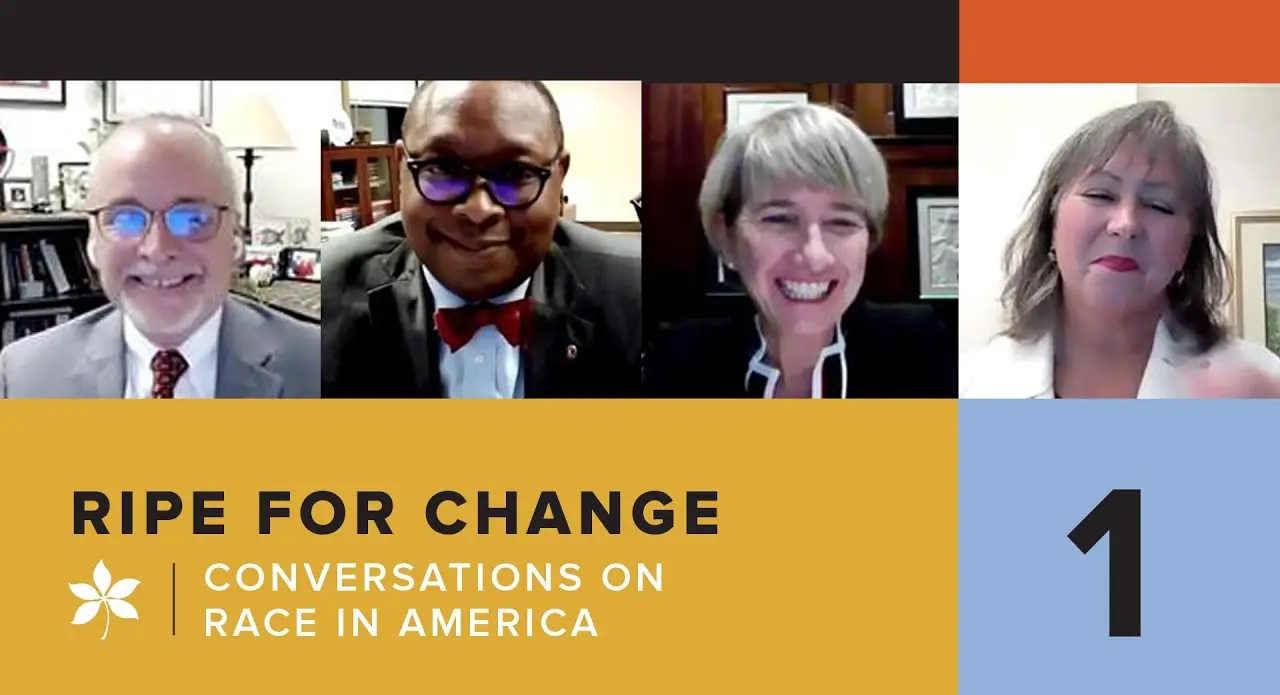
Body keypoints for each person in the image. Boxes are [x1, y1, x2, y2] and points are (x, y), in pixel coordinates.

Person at [321, 81, 642, 398]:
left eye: (516, 173)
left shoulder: (635, 294)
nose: (477, 210)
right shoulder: (328, 296)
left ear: (560, 177)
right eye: (443, 168)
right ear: (402, 171)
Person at [960, 100, 1280, 398]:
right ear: (1051, 224)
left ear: (1187, 248)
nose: (1126, 224)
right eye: (1101, 195)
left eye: (1158, 205)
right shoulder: (971, 383)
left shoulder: (1259, 386)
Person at [643, 103, 956, 398]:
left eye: (841, 222)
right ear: (727, 236)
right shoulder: (679, 359)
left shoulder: (917, 347)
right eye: (780, 219)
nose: (814, 255)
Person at [0, 113, 321, 399]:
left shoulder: (322, 365)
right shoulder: (24, 378)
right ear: (93, 243)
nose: (158, 249)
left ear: (235, 237)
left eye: (192, 218)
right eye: (126, 219)